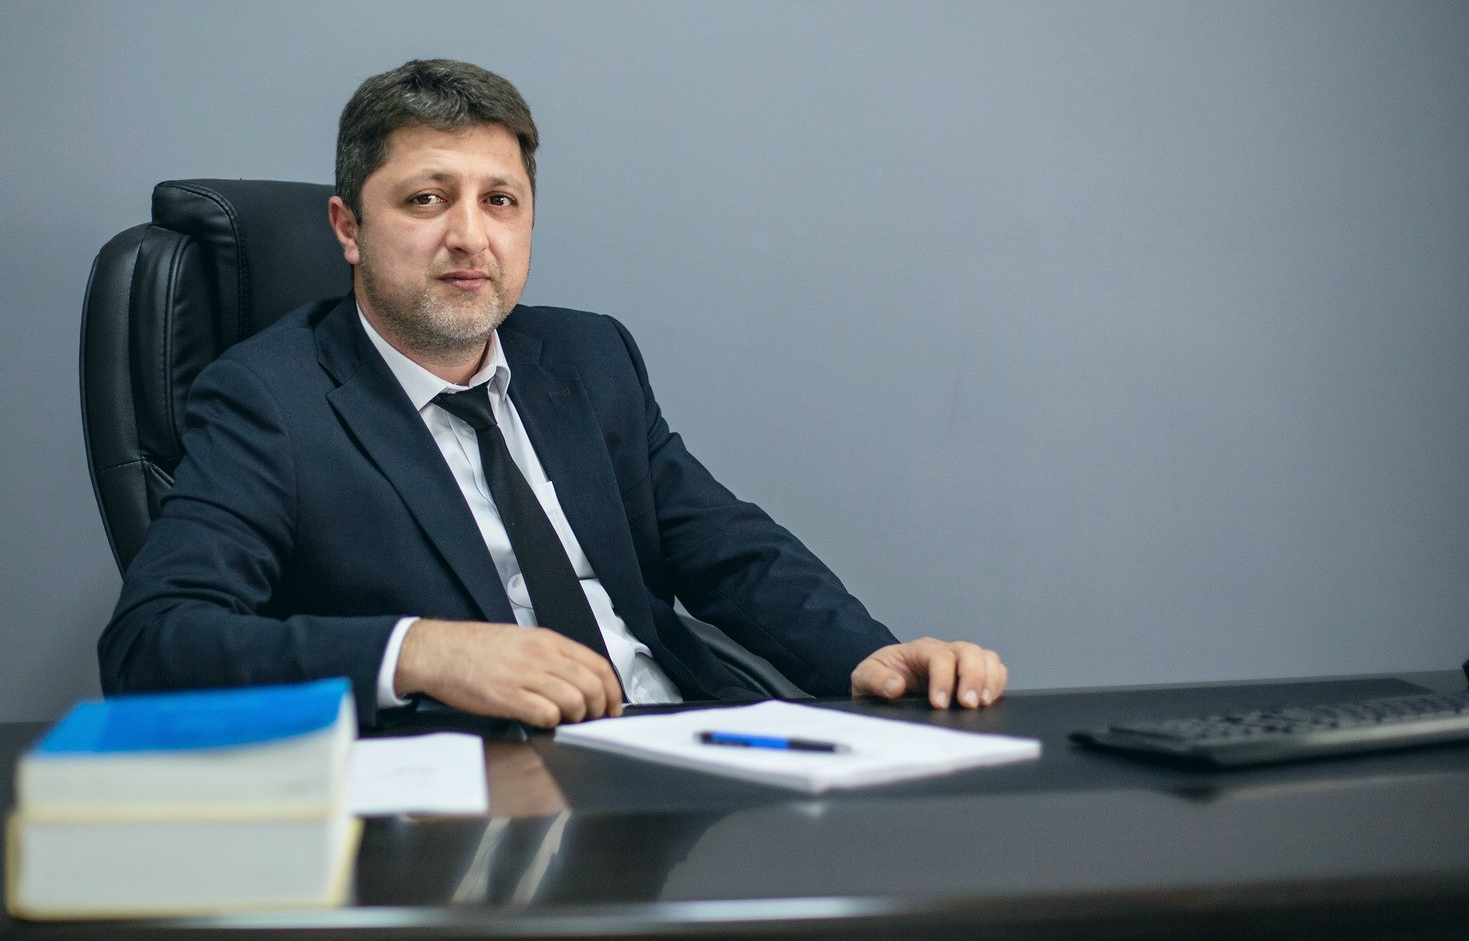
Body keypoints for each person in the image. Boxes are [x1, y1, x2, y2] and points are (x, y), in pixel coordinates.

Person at [99, 59, 1008, 729]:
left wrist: (867, 654)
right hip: (479, 802)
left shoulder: (586, 357)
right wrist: (419, 650)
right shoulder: (269, 398)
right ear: (348, 227)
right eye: (426, 200)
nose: (470, 237)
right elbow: (153, 642)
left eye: (500, 201)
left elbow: (729, 551)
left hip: (681, 744)